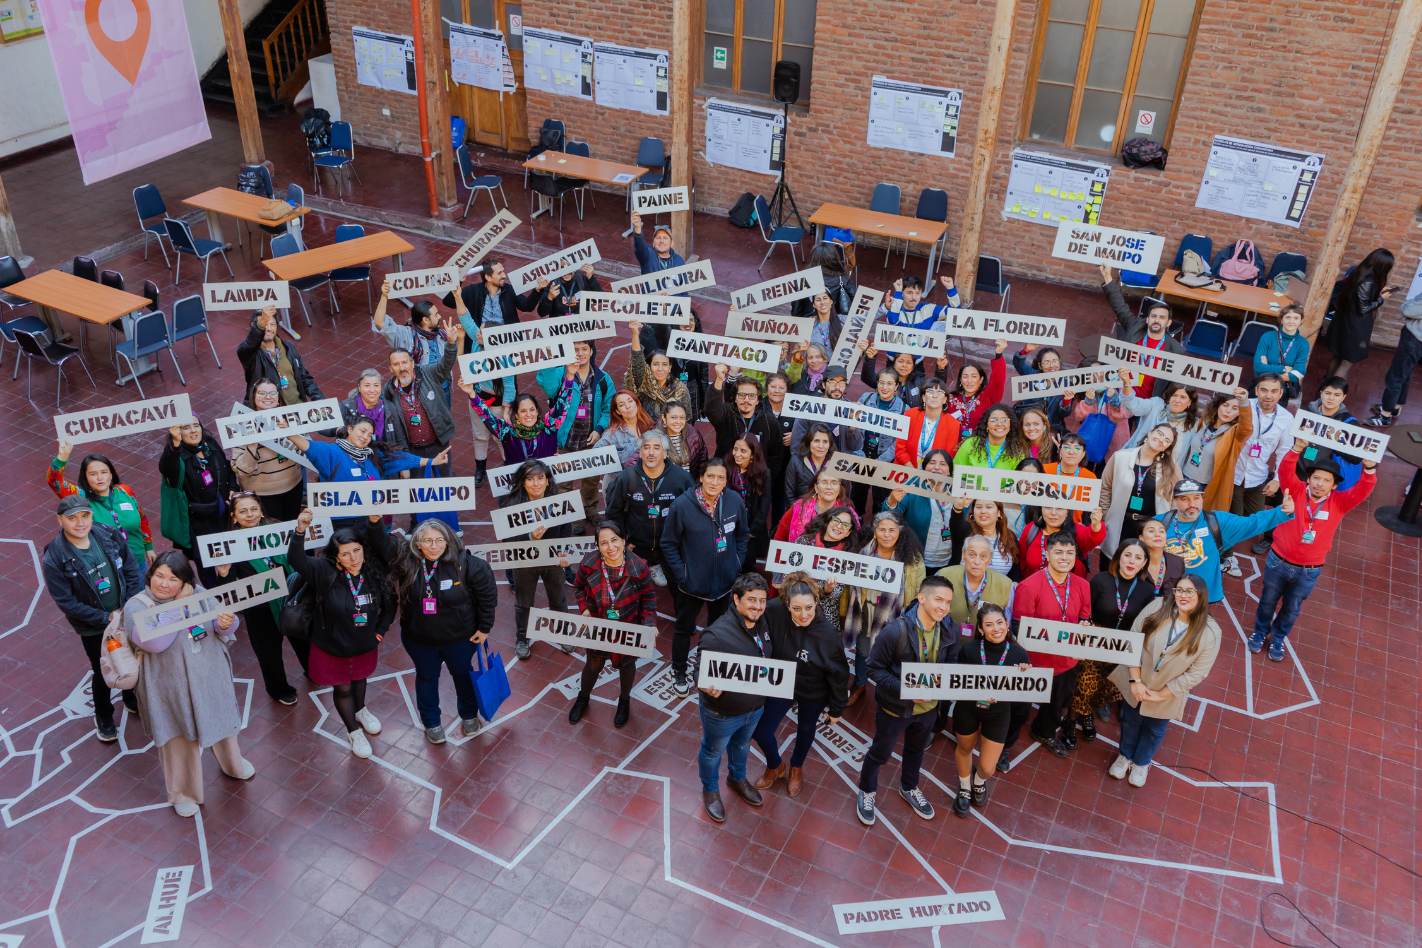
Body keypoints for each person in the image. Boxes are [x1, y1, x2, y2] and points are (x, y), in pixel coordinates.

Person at [123, 550, 253, 817]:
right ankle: (183, 792)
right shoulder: (138, 606)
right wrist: (179, 607)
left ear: (185, 582)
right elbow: (155, 643)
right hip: (168, 687)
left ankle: (233, 764)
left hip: (208, 677)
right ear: (150, 575)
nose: (164, 584)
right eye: (159, 576)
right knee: (177, 737)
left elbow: (222, 627)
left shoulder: (199, 594)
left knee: (221, 723)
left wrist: (226, 623)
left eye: (173, 579)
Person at [1250, 441, 1376, 660]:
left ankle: (1278, 638)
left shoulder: (1341, 502)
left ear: (1334, 486)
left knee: (1292, 608)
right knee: (1268, 600)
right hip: (1278, 561)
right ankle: (1260, 632)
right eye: (1316, 478)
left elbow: (1363, 489)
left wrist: (1370, 469)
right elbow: (1285, 470)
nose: (1320, 483)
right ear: (1308, 479)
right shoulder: (1296, 490)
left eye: (1327, 480)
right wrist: (1296, 449)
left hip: (1308, 570)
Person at [289, 512, 397, 758]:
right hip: (332, 646)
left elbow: (390, 606)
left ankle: (361, 710)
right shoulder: (324, 571)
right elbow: (296, 560)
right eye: (345, 554)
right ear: (336, 557)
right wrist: (300, 530)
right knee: (343, 689)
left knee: (360, 679)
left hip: (365, 644)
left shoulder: (375, 571)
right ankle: (353, 731)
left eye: (357, 550)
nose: (353, 558)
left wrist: (379, 634)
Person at [855, 575, 958, 826]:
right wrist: (906, 689)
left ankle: (909, 787)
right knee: (880, 753)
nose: (944, 607)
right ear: (921, 598)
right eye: (938, 599)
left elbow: (952, 665)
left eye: (948, 602)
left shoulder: (950, 629)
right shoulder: (895, 631)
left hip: (929, 709)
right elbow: (873, 669)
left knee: (915, 751)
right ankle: (867, 790)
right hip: (895, 708)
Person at [382, 519, 497, 742]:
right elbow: (381, 543)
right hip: (419, 640)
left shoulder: (470, 564)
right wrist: (375, 522)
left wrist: (485, 628)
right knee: (426, 677)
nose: (434, 546)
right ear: (418, 543)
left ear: (449, 540)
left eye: (439, 540)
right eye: (427, 540)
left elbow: (487, 597)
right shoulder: (407, 562)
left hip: (460, 639)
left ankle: (469, 714)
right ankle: (431, 722)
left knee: (463, 674)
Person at [43, 495, 143, 742]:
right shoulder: (54, 557)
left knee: (132, 656)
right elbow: (66, 602)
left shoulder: (108, 533)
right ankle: (104, 716)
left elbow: (131, 567)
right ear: (60, 520)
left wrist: (129, 606)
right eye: (72, 518)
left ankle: (130, 697)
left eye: (85, 516)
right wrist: (106, 617)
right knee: (104, 668)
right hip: (94, 626)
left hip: (125, 613)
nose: (80, 523)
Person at [1107, 574, 1221, 787]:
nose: (1183, 595)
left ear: (1201, 595)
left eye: (1190, 591)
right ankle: (1125, 756)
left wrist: (1161, 695)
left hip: (1167, 693)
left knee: (1155, 729)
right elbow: (1133, 640)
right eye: (1179, 590)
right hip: (1136, 680)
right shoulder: (1158, 606)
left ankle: (1141, 763)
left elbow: (1197, 673)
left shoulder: (1211, 632)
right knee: (1129, 721)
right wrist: (1135, 681)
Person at [749, 572, 851, 797]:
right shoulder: (773, 609)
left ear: (816, 602)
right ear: (787, 605)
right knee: (760, 730)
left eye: (809, 607)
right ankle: (775, 766)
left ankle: (796, 767)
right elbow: (746, 615)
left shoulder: (828, 635)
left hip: (814, 688)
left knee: (806, 728)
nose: (804, 615)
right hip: (782, 681)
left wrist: (837, 709)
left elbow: (839, 674)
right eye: (796, 609)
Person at [662, 459, 751, 696]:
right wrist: (682, 574)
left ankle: (708, 669)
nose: (714, 482)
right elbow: (668, 543)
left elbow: (743, 534)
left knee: (717, 631)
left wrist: (737, 563)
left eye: (720, 477)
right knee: (684, 629)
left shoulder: (734, 501)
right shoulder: (682, 505)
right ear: (701, 477)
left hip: (725, 583)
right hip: (691, 585)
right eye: (710, 476)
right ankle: (678, 670)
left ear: (726, 481)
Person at [691, 573, 775, 822]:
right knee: (713, 751)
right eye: (751, 600)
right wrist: (706, 686)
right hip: (722, 713)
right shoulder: (717, 634)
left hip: (755, 708)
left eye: (762, 600)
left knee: (742, 745)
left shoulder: (762, 621)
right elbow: (699, 671)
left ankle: (737, 779)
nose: (758, 606)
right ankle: (710, 790)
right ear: (736, 599)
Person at [212, 493, 310, 704]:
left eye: (254, 509)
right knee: (269, 653)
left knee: (303, 639)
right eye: (243, 511)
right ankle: (279, 690)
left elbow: (300, 556)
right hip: (260, 609)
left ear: (262, 511)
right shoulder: (229, 545)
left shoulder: (278, 528)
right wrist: (223, 573)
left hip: (292, 597)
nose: (250, 515)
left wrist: (301, 533)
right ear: (234, 516)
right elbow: (227, 592)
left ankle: (313, 671)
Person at [447, 260, 539, 475]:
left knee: (500, 436)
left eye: (481, 331)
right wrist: (458, 296)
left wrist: (506, 410)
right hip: (478, 397)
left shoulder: (504, 357)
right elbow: (465, 318)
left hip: (498, 402)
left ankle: (510, 470)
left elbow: (510, 385)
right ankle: (480, 469)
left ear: (490, 338)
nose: (476, 332)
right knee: (479, 435)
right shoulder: (477, 340)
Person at [568, 522, 657, 728]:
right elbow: (578, 587)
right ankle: (583, 698)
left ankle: (624, 702)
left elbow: (649, 598)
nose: (610, 547)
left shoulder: (639, 567)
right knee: (593, 665)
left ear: (624, 541)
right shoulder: (589, 562)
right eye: (604, 543)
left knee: (626, 665)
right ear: (598, 546)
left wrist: (649, 625)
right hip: (598, 627)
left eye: (614, 540)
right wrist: (584, 609)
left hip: (627, 627)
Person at [1010, 531, 1092, 757]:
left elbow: (1084, 618)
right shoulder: (1029, 586)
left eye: (1070, 552)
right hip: (1034, 663)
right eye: (1058, 552)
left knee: (1056, 706)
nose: (1064, 557)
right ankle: (1005, 745)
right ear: (1047, 554)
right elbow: (1018, 628)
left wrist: (1085, 629)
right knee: (1019, 709)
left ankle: (1043, 732)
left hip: (1067, 662)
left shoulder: (1083, 585)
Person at [284, 418, 442, 532]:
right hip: (342, 523)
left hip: (370, 520)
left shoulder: (372, 456)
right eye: (362, 431)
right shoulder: (332, 453)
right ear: (350, 429)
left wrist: (431, 461)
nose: (365, 437)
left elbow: (402, 459)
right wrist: (288, 433)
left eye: (370, 434)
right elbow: (309, 447)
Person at [1067, 539, 1155, 741]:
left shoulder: (1147, 590)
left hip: (1122, 647)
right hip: (1096, 641)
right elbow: (1084, 612)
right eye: (1127, 555)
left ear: (1144, 563)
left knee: (1105, 686)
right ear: (1118, 557)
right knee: (1084, 685)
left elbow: (1146, 623)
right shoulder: (1100, 580)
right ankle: (1070, 722)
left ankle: (1087, 714)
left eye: (1138, 557)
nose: (1131, 561)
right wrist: (1084, 625)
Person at [950, 603, 1032, 816]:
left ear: (1007, 624)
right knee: (964, 749)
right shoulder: (969, 650)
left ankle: (979, 780)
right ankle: (965, 786)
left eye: (999, 622)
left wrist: (1025, 675)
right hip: (968, 708)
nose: (996, 629)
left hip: (998, 712)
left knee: (988, 767)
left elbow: (1022, 691)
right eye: (989, 625)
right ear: (980, 629)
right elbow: (958, 683)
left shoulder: (1019, 654)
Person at [1156, 477, 1294, 603]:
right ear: (1174, 501)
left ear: (1202, 499)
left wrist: (1281, 512)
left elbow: (1252, 523)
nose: (1192, 504)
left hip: (1201, 598)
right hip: (1167, 595)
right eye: (1184, 499)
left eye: (1196, 497)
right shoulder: (1158, 524)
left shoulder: (1217, 522)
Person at [845, 511, 925, 699]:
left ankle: (887, 688)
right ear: (874, 531)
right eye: (882, 530)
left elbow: (918, 593)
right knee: (863, 648)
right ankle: (860, 682)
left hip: (895, 614)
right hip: (866, 610)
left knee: (892, 652)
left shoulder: (913, 560)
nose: (887, 534)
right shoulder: (862, 553)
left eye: (892, 530)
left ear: (900, 532)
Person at [500, 460, 575, 658]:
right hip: (524, 561)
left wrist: (564, 550)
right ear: (522, 482)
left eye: (540, 478)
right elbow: (507, 540)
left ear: (547, 480)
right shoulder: (512, 505)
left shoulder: (558, 501)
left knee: (558, 599)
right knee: (524, 603)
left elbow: (566, 529)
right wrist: (530, 537)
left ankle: (563, 633)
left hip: (552, 560)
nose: (536, 483)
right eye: (530, 479)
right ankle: (522, 638)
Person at [49, 441, 154, 582]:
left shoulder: (125, 491)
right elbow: (54, 481)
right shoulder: (81, 498)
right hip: (106, 570)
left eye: (104, 472)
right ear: (85, 478)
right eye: (93, 474)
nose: (100, 478)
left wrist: (148, 546)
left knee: (140, 595)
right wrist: (63, 457)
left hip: (137, 563)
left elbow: (141, 518)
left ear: (111, 474)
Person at [538, 340, 616, 529]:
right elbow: (548, 386)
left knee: (590, 480)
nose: (580, 353)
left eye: (584, 349)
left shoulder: (603, 380)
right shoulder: (562, 374)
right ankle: (569, 517)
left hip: (590, 442)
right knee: (563, 482)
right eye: (575, 350)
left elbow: (609, 409)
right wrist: (549, 358)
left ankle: (590, 510)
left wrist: (599, 430)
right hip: (565, 440)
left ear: (591, 351)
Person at [606, 430, 695, 590]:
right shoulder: (626, 478)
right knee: (630, 590)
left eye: (656, 447)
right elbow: (614, 513)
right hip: (636, 546)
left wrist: (683, 543)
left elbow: (691, 514)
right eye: (646, 447)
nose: (651, 452)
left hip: (670, 547)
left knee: (679, 588)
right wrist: (624, 541)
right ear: (640, 453)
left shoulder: (681, 478)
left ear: (665, 453)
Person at [384, 319, 461, 490]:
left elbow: (446, 365)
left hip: (438, 442)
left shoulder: (428, 373)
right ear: (390, 369)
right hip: (413, 450)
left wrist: (450, 343)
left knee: (446, 485)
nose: (401, 367)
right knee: (417, 490)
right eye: (396, 364)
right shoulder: (388, 390)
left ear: (413, 363)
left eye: (405, 362)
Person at [159, 417, 237, 587]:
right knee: (206, 567)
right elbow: (166, 468)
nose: (193, 430)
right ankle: (215, 596)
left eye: (196, 425)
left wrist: (232, 487)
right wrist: (175, 445)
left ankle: (232, 592)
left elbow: (227, 467)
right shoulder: (177, 455)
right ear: (177, 432)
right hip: (198, 524)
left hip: (224, 519)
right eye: (186, 427)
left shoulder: (210, 445)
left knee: (232, 559)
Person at [461, 369, 576, 473]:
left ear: (537, 411)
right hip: (517, 486)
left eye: (532, 410)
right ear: (516, 415)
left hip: (543, 485)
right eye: (523, 411)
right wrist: (472, 394)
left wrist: (570, 376)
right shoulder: (507, 432)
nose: (528, 414)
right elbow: (487, 416)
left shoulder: (549, 426)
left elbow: (563, 403)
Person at [1096, 423, 1179, 564]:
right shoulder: (1120, 457)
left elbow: (1176, 499)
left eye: (1167, 440)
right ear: (1150, 432)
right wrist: (1105, 514)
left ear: (1168, 447)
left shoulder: (1171, 467)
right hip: (1119, 522)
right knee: (1110, 563)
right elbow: (1105, 486)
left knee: (1140, 566)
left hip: (1149, 528)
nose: (1161, 440)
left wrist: (1167, 523)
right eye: (1159, 434)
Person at [1231, 373, 1293, 559]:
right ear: (1256, 391)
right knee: (1234, 519)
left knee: (1256, 519)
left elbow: (1284, 452)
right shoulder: (1243, 406)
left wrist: (1278, 480)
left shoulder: (1286, 418)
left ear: (1281, 394)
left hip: (1258, 477)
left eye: (1274, 391)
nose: (1268, 395)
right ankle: (1226, 554)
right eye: (1264, 390)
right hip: (1233, 474)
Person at [1099, 264, 1186, 397]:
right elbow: (1120, 307)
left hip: (1148, 402)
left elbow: (1173, 385)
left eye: (1162, 317)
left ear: (1168, 323)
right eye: (1154, 316)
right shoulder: (1135, 326)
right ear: (1147, 319)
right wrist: (1107, 276)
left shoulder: (1176, 350)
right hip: (1121, 394)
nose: (1157, 320)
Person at [229, 379, 308, 521]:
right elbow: (240, 469)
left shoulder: (290, 418)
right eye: (262, 393)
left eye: (273, 393)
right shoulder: (242, 426)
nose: (268, 397)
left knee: (292, 527)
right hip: (262, 494)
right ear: (254, 396)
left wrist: (292, 434)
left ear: (278, 397)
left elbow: (308, 450)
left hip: (294, 486)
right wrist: (251, 446)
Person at [1177, 387, 1254, 521]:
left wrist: (1244, 403)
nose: (1228, 411)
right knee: (1178, 515)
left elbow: (1246, 427)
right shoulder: (1204, 422)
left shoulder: (1235, 434)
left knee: (1197, 520)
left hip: (1205, 487)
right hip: (1184, 476)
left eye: (1235, 408)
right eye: (1225, 405)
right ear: (1218, 405)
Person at [1321, 247, 1395, 381]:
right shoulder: (1368, 282)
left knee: (1338, 356)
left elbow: (1358, 298)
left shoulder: (1357, 273)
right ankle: (1332, 389)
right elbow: (1364, 309)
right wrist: (1381, 299)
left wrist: (1377, 292)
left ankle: (1324, 387)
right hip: (1355, 328)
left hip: (1345, 321)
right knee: (1346, 363)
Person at [881, 450, 957, 568]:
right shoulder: (912, 486)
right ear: (924, 468)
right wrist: (892, 501)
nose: (937, 467)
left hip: (949, 561)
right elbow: (889, 517)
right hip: (916, 561)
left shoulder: (959, 492)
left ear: (949, 472)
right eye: (932, 463)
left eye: (943, 464)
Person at [704, 366, 784, 476]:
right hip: (726, 478)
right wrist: (719, 380)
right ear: (735, 398)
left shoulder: (769, 421)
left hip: (757, 480)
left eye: (752, 396)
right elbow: (711, 409)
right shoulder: (726, 414)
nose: (746, 400)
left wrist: (766, 479)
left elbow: (776, 457)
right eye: (742, 395)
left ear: (758, 400)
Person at [372, 280, 452, 390]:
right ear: (425, 320)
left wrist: (455, 340)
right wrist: (384, 296)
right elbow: (380, 323)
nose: (439, 317)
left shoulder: (442, 335)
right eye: (436, 314)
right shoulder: (405, 335)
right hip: (420, 391)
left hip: (443, 389)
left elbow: (451, 360)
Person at [237, 305, 323, 405]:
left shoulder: (289, 349)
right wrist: (260, 323)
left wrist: (320, 400)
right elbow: (249, 344)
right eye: (264, 324)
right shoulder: (249, 353)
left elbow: (305, 378)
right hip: (270, 412)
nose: (269, 328)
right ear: (254, 326)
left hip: (297, 408)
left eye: (272, 324)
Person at [790, 507, 857, 633]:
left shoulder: (847, 555)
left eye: (845, 525)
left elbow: (837, 592)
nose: (839, 526)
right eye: (836, 521)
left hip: (826, 613)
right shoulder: (803, 542)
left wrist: (828, 590)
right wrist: (819, 587)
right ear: (827, 521)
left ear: (848, 532)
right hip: (797, 607)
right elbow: (788, 576)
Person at [851, 368, 907, 514]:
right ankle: (857, 518)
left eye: (889, 383)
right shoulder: (865, 399)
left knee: (880, 496)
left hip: (884, 459)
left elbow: (898, 442)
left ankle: (877, 521)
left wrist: (880, 462)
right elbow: (855, 428)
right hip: (862, 454)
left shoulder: (904, 410)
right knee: (857, 492)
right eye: (881, 382)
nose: (884, 387)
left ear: (896, 386)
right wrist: (860, 455)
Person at [1294, 377, 1363, 490]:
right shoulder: (1305, 412)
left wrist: (1334, 441)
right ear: (1321, 393)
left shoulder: (1349, 423)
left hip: (1323, 484)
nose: (1331, 398)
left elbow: (1356, 459)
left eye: (1337, 395)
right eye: (1327, 393)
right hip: (1297, 475)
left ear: (1343, 397)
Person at [1366, 294, 1422, 427]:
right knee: (1405, 375)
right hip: (1416, 341)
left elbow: (1408, 309)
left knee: (1395, 377)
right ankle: (1395, 407)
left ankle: (1385, 416)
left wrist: (1408, 307)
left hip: (1413, 340)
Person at [788, 366, 866, 459]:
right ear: (824, 385)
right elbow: (796, 447)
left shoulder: (853, 410)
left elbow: (856, 447)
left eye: (842, 383)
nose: (837, 387)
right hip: (814, 464)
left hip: (840, 465)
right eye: (832, 382)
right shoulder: (808, 410)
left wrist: (852, 424)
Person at [625, 320, 690, 420]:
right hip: (646, 429)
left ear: (670, 368)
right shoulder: (644, 385)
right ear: (649, 366)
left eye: (664, 364)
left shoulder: (680, 389)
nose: (660, 368)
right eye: (655, 364)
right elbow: (637, 361)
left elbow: (686, 418)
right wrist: (635, 335)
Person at [774, 468, 858, 544]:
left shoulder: (848, 514)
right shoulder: (798, 508)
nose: (829, 487)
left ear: (840, 488)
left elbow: (854, 543)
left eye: (834, 483)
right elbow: (780, 539)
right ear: (816, 487)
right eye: (824, 482)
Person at [1018, 506, 1105, 579]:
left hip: (1069, 592)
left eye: (1059, 508)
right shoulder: (1031, 530)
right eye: (1048, 507)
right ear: (1041, 509)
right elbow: (1021, 564)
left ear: (1067, 512)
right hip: (1034, 589)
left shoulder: (1076, 532)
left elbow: (1095, 538)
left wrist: (1096, 525)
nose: (1053, 513)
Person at [1118, 375, 1197, 453]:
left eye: (1183, 397)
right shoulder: (1156, 405)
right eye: (1174, 395)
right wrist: (1127, 383)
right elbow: (1132, 404)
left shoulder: (1192, 425)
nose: (1177, 400)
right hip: (1136, 459)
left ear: (1189, 402)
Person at [595, 390, 655, 493]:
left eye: (630, 401)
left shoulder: (652, 427)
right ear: (618, 411)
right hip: (620, 489)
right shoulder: (612, 434)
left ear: (637, 403)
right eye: (621, 405)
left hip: (648, 488)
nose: (628, 406)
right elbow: (593, 456)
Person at [726, 434, 771, 572]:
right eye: (735, 449)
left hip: (750, 524)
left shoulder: (763, 473)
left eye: (743, 451)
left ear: (752, 454)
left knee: (747, 561)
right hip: (730, 522)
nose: (737, 454)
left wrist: (754, 529)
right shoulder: (725, 467)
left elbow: (765, 501)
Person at [896, 378, 962, 468]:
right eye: (930, 392)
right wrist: (913, 472)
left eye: (940, 393)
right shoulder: (909, 414)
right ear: (923, 397)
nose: (934, 396)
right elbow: (900, 449)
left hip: (935, 472)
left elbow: (948, 457)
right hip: (905, 468)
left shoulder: (953, 424)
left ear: (945, 399)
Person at [945, 341, 1009, 431]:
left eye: (974, 376)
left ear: (981, 379)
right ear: (960, 380)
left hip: (979, 439)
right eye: (965, 376)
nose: (969, 380)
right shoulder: (951, 399)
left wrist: (998, 354)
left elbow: (998, 379)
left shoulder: (987, 396)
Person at [860, 345, 947, 410]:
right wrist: (870, 358)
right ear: (894, 364)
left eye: (909, 362)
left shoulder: (919, 382)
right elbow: (867, 378)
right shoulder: (886, 379)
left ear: (913, 367)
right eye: (900, 361)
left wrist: (941, 368)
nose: (904, 365)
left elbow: (938, 385)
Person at [1253, 303, 1308, 402]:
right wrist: (1284, 369)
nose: (1291, 321)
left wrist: (1267, 369)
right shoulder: (1268, 336)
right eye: (1288, 317)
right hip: (1261, 388)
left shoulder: (1303, 344)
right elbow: (1258, 367)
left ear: (1301, 321)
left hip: (1283, 392)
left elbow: (1296, 376)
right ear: (1282, 320)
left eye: (1296, 318)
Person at [339, 369, 407, 448]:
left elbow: (401, 439)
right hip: (354, 454)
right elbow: (328, 430)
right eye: (367, 385)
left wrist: (405, 454)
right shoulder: (346, 406)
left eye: (376, 385)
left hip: (384, 454)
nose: (372, 390)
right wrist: (339, 429)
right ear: (359, 387)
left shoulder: (390, 407)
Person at [955, 499, 1020, 581]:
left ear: (999, 513)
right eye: (979, 507)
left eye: (989, 507)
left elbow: (1015, 571)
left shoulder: (1009, 536)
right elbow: (955, 522)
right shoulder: (964, 532)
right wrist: (958, 507)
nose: (983, 511)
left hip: (998, 588)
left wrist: (1015, 583)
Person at [763, 372, 796, 527]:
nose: (777, 391)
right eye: (773, 387)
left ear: (787, 390)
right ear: (766, 388)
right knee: (760, 499)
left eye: (781, 387)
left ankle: (776, 530)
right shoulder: (759, 407)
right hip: (763, 462)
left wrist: (796, 435)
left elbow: (808, 428)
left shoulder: (796, 409)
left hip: (785, 464)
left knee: (780, 499)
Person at [954, 404, 1029, 471]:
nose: (999, 424)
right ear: (986, 425)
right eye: (994, 420)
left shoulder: (1016, 452)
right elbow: (955, 474)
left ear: (1010, 425)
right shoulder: (970, 444)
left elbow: (1018, 480)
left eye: (1004, 420)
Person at [784, 422, 835, 507]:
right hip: (801, 512)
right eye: (816, 441)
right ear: (809, 442)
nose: (821, 446)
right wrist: (801, 512)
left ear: (830, 445)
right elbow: (789, 495)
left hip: (830, 513)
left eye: (825, 441)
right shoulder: (795, 462)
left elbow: (843, 495)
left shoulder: (837, 464)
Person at [880, 275, 962, 328]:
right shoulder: (895, 310)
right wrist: (898, 292)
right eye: (909, 293)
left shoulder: (929, 310)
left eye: (917, 293)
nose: (914, 297)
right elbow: (893, 321)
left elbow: (954, 314)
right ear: (902, 294)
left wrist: (951, 289)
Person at [660, 400, 709, 483]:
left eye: (682, 417)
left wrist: (699, 484)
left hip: (689, 485)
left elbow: (703, 461)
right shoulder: (654, 436)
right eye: (673, 417)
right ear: (664, 418)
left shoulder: (693, 433)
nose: (678, 422)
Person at [1011, 344, 1067, 413]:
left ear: (1059, 363)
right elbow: (1019, 365)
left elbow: (1064, 413)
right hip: (1030, 417)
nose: (1052, 365)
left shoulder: (1065, 383)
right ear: (1040, 366)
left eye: (1055, 361)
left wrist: (1066, 401)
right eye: (1046, 362)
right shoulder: (1033, 376)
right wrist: (1025, 351)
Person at [630, 212, 685, 283]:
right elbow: (640, 247)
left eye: (665, 238)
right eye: (658, 238)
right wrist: (637, 228)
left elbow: (684, 287)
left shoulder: (679, 261)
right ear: (653, 243)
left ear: (671, 243)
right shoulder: (648, 256)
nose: (661, 241)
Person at [1139, 518, 1186, 597]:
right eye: (1151, 531)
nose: (1158, 534)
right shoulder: (1134, 562)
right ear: (1141, 538)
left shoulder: (1178, 562)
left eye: (1161, 531)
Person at [537, 261, 602, 318]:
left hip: (581, 325)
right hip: (560, 326)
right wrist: (549, 298)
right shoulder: (551, 284)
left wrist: (590, 278)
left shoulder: (581, 279)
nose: (566, 270)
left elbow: (599, 299)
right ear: (557, 270)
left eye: (569, 266)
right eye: (562, 267)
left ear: (575, 269)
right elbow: (542, 313)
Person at [802, 289, 845, 353]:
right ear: (814, 305)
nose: (822, 302)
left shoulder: (844, 320)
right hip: (815, 359)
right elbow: (801, 353)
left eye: (825, 298)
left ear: (831, 301)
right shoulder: (807, 325)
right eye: (818, 300)